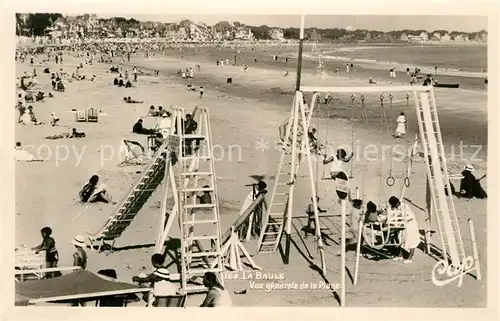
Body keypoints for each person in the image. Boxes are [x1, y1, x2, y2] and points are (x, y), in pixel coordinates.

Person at [388, 196, 420, 264]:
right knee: (400, 238)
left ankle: (410, 257)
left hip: (411, 225)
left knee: (411, 241)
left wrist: (402, 218)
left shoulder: (405, 207)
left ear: (397, 203)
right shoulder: (396, 207)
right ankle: (400, 255)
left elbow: (411, 216)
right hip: (403, 225)